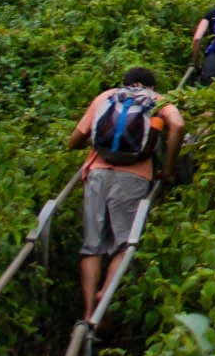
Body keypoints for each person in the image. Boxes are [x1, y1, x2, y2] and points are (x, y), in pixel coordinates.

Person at [67, 67, 183, 322]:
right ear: (150, 86)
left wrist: (96, 142)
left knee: (92, 246)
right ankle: (105, 294)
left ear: (127, 83)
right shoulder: (157, 101)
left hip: (97, 173)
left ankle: (87, 313)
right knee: (124, 244)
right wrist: (168, 169)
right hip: (135, 176)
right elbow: (178, 125)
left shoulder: (106, 96)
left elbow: (74, 140)